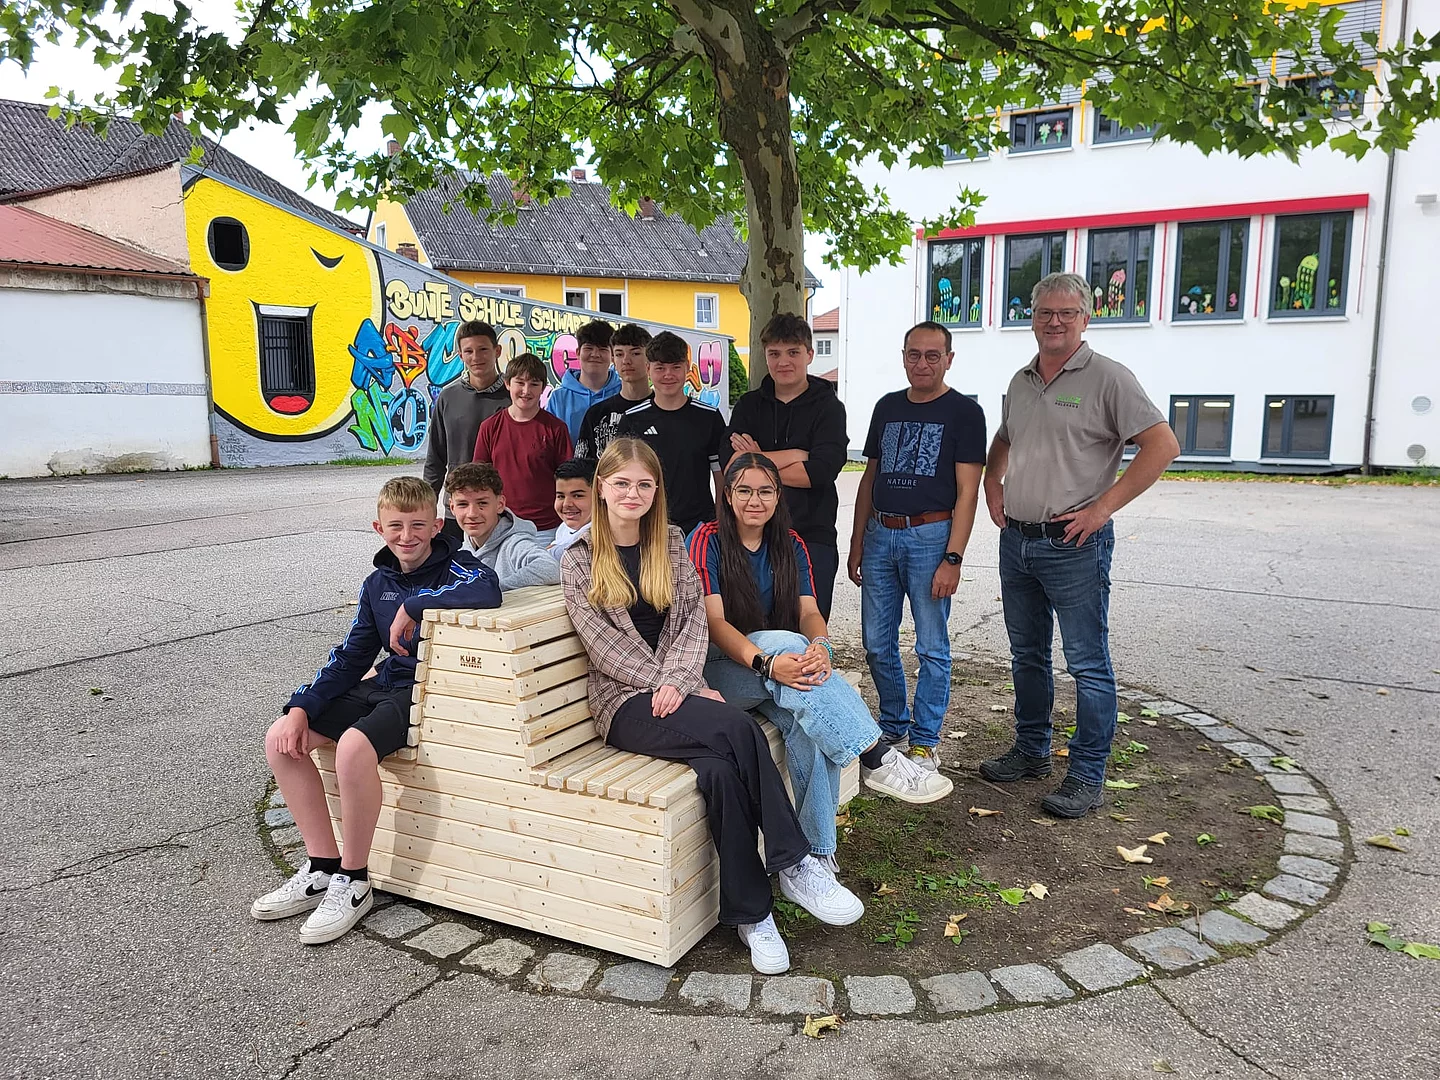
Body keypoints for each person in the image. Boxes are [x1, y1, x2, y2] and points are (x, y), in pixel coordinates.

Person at [560, 438, 863, 974]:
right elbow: (604, 646)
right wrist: (671, 684)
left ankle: (752, 916)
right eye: (622, 483)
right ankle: (794, 863)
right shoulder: (579, 559)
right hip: (624, 703)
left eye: (644, 484)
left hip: (679, 690)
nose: (633, 493)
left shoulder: (671, 544)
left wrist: (682, 681)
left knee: (721, 774)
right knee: (740, 730)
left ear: (657, 490)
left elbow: (693, 623)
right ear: (601, 488)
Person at [252, 477, 501, 943]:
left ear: (437, 526)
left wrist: (415, 604)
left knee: (352, 747)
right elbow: (351, 657)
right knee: (281, 740)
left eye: (418, 525)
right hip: (384, 683)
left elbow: (488, 590)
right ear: (378, 528)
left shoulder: (459, 567)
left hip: (427, 692)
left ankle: (354, 879)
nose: (407, 536)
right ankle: (322, 866)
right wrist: (301, 706)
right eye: (396, 526)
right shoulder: (376, 583)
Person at [979, 272, 1179, 818]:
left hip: (1074, 545)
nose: (1055, 322)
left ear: (1085, 319)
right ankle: (1032, 750)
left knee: (1087, 664)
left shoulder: (1109, 378)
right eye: (1045, 312)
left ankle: (1088, 774)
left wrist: (1102, 509)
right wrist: (992, 481)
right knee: (1026, 655)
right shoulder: (1022, 379)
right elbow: (1005, 437)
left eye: (1067, 313)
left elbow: (1163, 445)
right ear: (1032, 318)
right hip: (1018, 541)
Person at [689, 454, 952, 861]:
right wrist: (768, 662)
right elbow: (715, 624)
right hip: (721, 673)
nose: (754, 500)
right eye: (744, 490)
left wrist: (822, 648)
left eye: (765, 491)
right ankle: (875, 755)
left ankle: (816, 858)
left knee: (809, 729)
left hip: (778, 675)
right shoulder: (706, 539)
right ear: (727, 495)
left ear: (778, 496)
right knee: (786, 641)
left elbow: (810, 612)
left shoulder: (791, 544)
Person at [847, 321, 985, 773]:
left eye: (932, 355)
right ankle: (893, 725)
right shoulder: (887, 407)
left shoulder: (965, 413)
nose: (921, 363)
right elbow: (870, 477)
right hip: (880, 533)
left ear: (949, 359)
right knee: (876, 643)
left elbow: (968, 491)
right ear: (903, 357)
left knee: (931, 646)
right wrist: (857, 540)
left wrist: (953, 557)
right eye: (913, 354)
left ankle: (925, 742)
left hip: (931, 537)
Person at [724, 314, 848, 619]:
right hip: (753, 535)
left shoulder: (829, 407)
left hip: (811, 534)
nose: (783, 362)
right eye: (774, 353)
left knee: (809, 622)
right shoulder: (748, 406)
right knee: (753, 626)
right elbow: (732, 469)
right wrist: (796, 454)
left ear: (809, 354)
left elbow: (820, 472)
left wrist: (758, 458)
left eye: (793, 352)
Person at [615, 331, 726, 534]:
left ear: (687, 368)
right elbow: (620, 478)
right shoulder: (632, 419)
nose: (668, 375)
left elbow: (720, 476)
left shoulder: (709, 417)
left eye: (676, 367)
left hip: (699, 527)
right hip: (647, 526)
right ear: (648, 369)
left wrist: (720, 526)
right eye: (660, 368)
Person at [422, 320, 510, 539]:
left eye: (483, 349)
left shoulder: (514, 398)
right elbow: (435, 458)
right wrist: (426, 505)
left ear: (497, 351)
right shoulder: (448, 397)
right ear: (460, 355)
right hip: (458, 508)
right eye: (469, 351)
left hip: (501, 507)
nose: (476, 357)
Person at [474, 353, 574, 540]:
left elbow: (568, 479)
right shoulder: (489, 427)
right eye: (520, 383)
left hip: (546, 528)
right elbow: (480, 479)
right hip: (502, 524)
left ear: (543, 388)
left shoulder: (556, 428)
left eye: (534, 384)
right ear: (507, 384)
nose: (526, 391)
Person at [446, 462, 560, 589]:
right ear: (452, 507)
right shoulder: (459, 549)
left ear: (500, 504)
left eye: (482, 503)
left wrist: (492, 589)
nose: (472, 514)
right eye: (462, 504)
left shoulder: (515, 544)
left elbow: (550, 568)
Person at [575, 323, 652, 460]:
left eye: (635, 353)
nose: (626, 361)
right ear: (613, 359)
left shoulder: (665, 409)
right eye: (619, 354)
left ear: (650, 358)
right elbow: (581, 466)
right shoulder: (596, 414)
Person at [545, 319, 619, 442]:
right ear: (578, 353)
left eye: (602, 349)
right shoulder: (558, 398)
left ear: (612, 356)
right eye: (589, 348)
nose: (595, 354)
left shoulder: (624, 393)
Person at [549, 457, 595, 560]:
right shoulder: (564, 527)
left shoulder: (596, 534)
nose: (566, 504)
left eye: (577, 496)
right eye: (561, 496)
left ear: (600, 495)